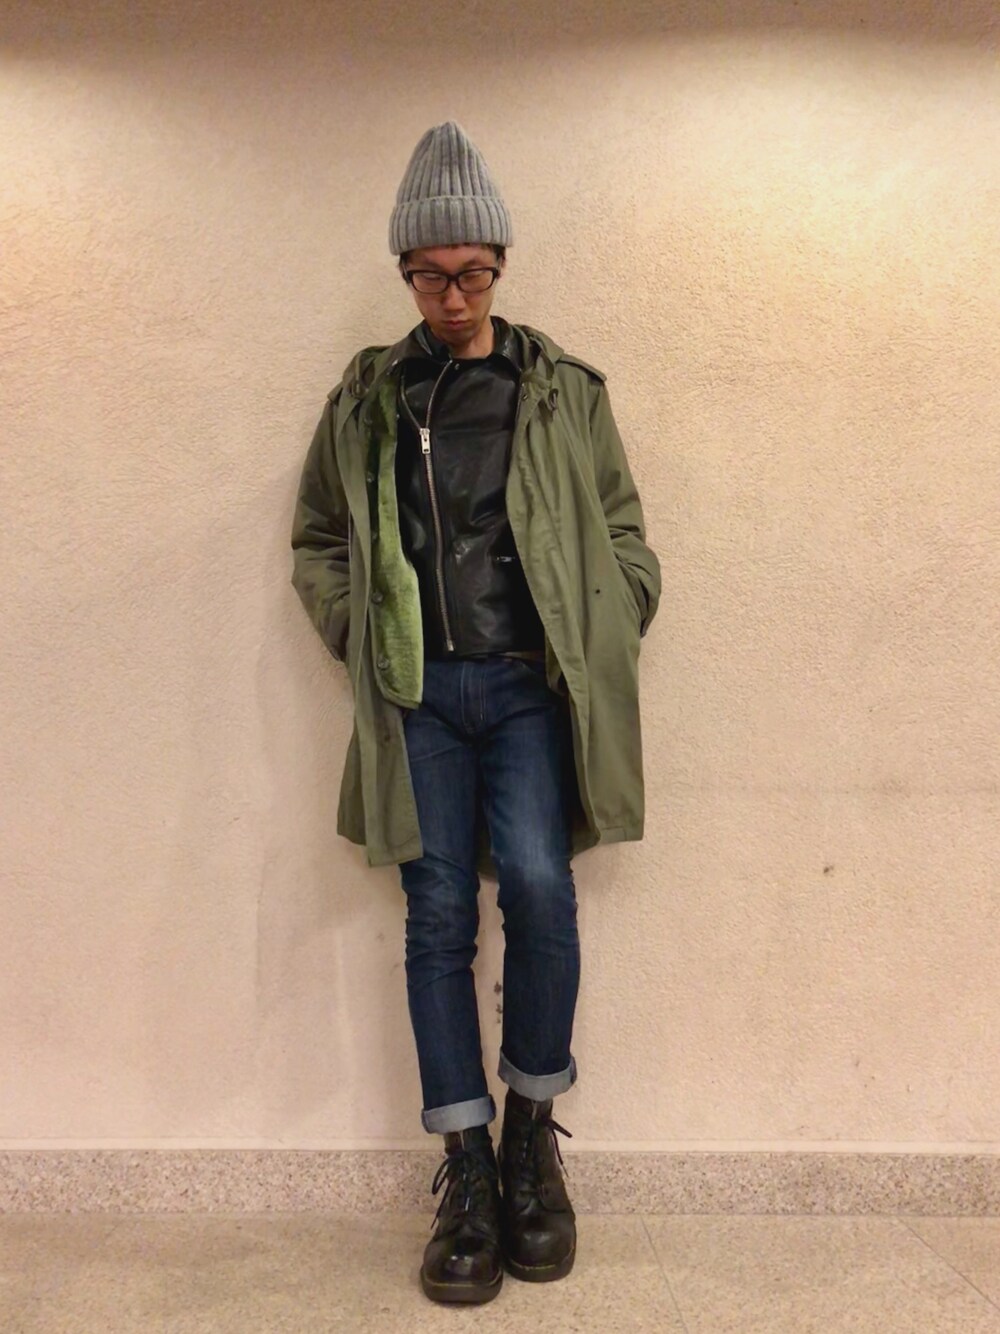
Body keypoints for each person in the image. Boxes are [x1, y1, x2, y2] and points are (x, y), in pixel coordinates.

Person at [291, 121, 660, 1305]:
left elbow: (622, 530)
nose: (452, 297)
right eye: (428, 275)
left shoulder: (559, 392)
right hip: (419, 696)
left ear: (500, 266)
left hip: (525, 688)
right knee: (439, 912)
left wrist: (610, 615)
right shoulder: (368, 396)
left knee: (542, 889)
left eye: (472, 273)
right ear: (403, 273)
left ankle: (529, 1142)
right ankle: (464, 1165)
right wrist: (357, 630)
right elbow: (319, 538)